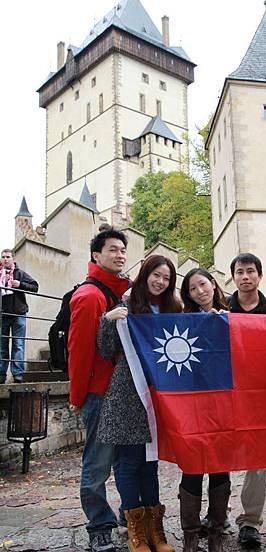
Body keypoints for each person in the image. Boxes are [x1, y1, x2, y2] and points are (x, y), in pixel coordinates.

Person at [97, 254, 181, 552]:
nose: (160, 281)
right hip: (128, 393)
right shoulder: (126, 306)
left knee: (150, 463)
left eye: (166, 278)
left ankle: (154, 530)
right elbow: (106, 349)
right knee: (129, 462)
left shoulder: (174, 309)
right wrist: (108, 320)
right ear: (145, 274)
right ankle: (135, 529)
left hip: (159, 395)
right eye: (156, 275)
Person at [68, 229, 130, 552]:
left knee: (122, 460)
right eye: (112, 250)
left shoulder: (122, 291)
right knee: (98, 463)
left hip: (120, 393)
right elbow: (78, 353)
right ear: (96, 255)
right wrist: (77, 396)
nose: (120, 255)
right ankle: (99, 526)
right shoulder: (90, 296)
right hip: (100, 394)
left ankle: (124, 516)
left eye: (123, 250)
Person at [179, 268, 230, 552]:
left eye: (203, 284)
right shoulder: (183, 320)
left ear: (213, 283)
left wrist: (227, 323)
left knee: (220, 465)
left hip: (224, 401)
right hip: (193, 402)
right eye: (193, 289)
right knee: (193, 464)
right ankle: (190, 533)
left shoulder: (232, 313)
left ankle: (216, 532)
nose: (200, 291)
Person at [229, 253, 266, 548]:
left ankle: (250, 521)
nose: (245, 277)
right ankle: (214, 514)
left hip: (262, 395)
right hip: (227, 391)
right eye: (240, 272)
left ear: (259, 275)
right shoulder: (222, 308)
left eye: (250, 271)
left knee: (258, 460)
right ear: (234, 277)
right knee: (217, 450)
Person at [0, 248, 38, 383]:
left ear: (13, 259)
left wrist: (20, 284)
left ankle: (18, 375)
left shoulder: (20, 274)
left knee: (18, 345)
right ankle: (1, 375)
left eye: (8, 257)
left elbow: (35, 286)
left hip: (18, 314)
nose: (5, 259)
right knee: (2, 345)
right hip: (3, 314)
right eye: (3, 257)